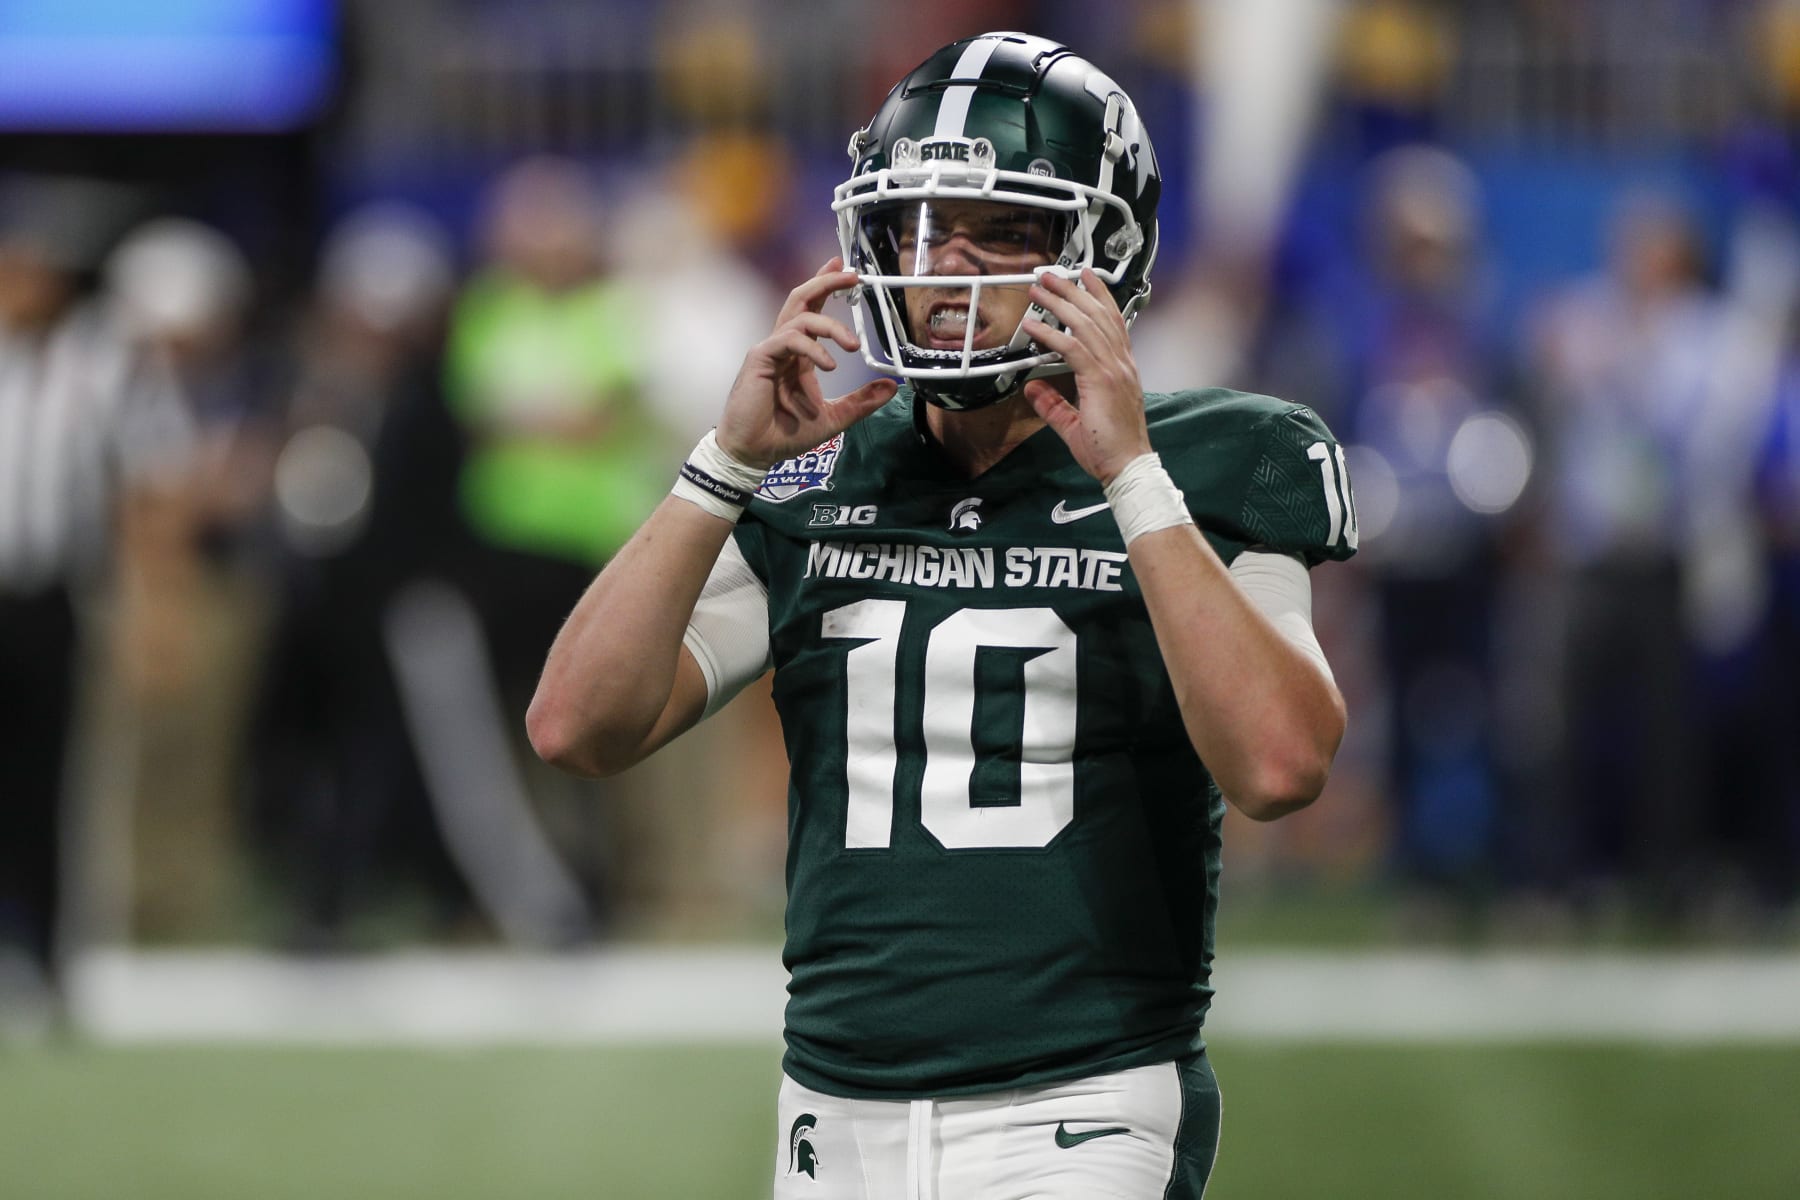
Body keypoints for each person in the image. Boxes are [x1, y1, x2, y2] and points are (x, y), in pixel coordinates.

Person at [530, 32, 1356, 1198]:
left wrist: (1132, 480)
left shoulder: (1220, 456)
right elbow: (575, 724)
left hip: (1080, 1105)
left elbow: (1279, 764)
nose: (947, 267)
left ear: (1104, 252)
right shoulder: (819, 476)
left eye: (1003, 230)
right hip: (833, 1116)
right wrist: (721, 468)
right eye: (921, 227)